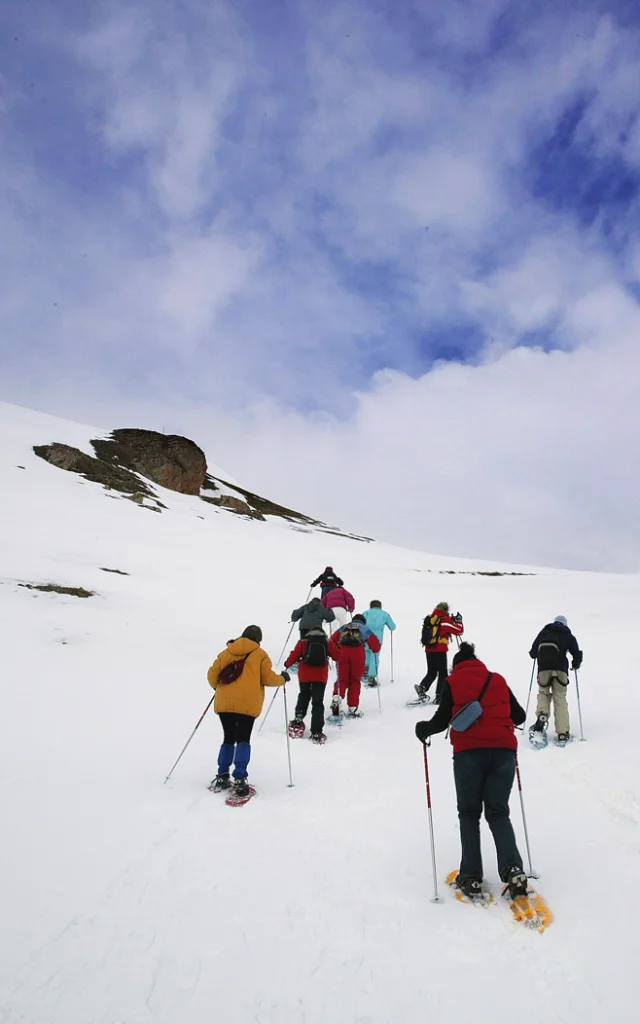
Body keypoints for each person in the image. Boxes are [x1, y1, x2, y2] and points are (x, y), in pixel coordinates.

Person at [415, 642, 528, 901]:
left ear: (455, 665)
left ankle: (471, 876)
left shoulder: (452, 682)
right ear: (477, 660)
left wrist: (423, 729)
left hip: (469, 754)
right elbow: (519, 716)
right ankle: (513, 869)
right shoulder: (496, 679)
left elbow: (442, 720)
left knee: (469, 813)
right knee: (498, 812)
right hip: (503, 754)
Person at [207, 625, 289, 797]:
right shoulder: (260, 655)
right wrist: (282, 679)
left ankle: (222, 774)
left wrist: (220, 689)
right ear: (258, 639)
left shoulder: (226, 652)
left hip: (224, 704)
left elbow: (212, 675)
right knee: (243, 738)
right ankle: (239, 777)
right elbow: (268, 678)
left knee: (228, 737)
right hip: (248, 705)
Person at [529, 615, 583, 743]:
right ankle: (563, 732)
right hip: (561, 670)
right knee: (560, 697)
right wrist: (575, 664)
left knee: (543, 693)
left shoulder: (544, 632)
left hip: (543, 669)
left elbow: (533, 653)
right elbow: (576, 653)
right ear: (565, 624)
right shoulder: (568, 634)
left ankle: (542, 715)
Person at [284, 626, 331, 744]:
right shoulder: (327, 642)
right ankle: (316, 731)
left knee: (304, 695)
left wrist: (287, 663)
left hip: (304, 675)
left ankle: (299, 718)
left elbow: (294, 655)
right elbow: (338, 655)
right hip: (320, 676)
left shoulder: (303, 641)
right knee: (317, 702)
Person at [328, 615, 381, 717]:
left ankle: (337, 698)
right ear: (363, 622)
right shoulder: (365, 629)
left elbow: (332, 640)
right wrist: (374, 650)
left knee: (342, 679)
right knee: (355, 680)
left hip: (342, 653)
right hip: (358, 654)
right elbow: (375, 646)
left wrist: (336, 650)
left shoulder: (344, 627)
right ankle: (352, 708)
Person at [414, 601, 464, 704]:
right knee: (443, 673)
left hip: (429, 649)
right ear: (446, 610)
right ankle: (439, 696)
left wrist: (452, 620)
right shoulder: (445, 620)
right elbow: (459, 631)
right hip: (440, 650)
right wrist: (459, 621)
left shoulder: (431, 618)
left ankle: (422, 687)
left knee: (431, 672)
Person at [362, 600, 396, 685]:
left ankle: (365, 672)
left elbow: (361, 623)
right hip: (377, 639)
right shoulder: (384, 614)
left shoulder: (366, 613)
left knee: (366, 653)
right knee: (374, 657)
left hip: (366, 637)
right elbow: (392, 627)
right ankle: (372, 676)